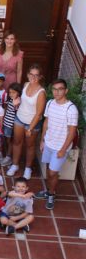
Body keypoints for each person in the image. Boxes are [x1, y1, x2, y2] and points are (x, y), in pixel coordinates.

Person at [35, 78, 79, 209]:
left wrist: (63, 149)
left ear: (66, 91)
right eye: (55, 89)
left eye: (60, 89)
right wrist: (42, 140)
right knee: (49, 170)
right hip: (48, 143)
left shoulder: (71, 109)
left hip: (60, 147)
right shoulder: (50, 103)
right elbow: (46, 123)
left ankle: (51, 194)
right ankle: (48, 190)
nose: (57, 92)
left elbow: (72, 132)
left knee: (53, 173)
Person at [7, 64, 46, 180]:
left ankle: (28, 168)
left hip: (32, 123)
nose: (33, 77)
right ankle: (14, 165)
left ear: (40, 77)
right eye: (31, 74)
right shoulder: (25, 85)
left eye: (36, 75)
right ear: (28, 74)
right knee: (17, 142)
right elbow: (22, 101)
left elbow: (39, 113)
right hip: (19, 118)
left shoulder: (41, 93)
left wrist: (30, 128)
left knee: (30, 145)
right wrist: (16, 103)